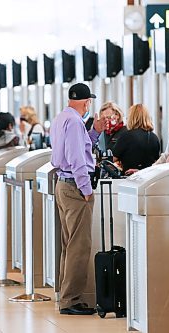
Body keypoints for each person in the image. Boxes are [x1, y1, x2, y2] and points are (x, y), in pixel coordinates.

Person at [50, 83, 107, 316]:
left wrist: (95, 132)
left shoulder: (63, 117)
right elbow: (76, 158)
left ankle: (66, 296)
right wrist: (86, 189)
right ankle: (70, 300)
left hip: (63, 185)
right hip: (75, 188)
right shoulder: (74, 122)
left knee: (69, 245)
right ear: (86, 102)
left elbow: (79, 149)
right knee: (78, 247)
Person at [112, 104, 161, 173]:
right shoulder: (154, 137)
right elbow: (156, 161)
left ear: (131, 117)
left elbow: (113, 159)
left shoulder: (126, 136)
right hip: (148, 177)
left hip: (129, 177)